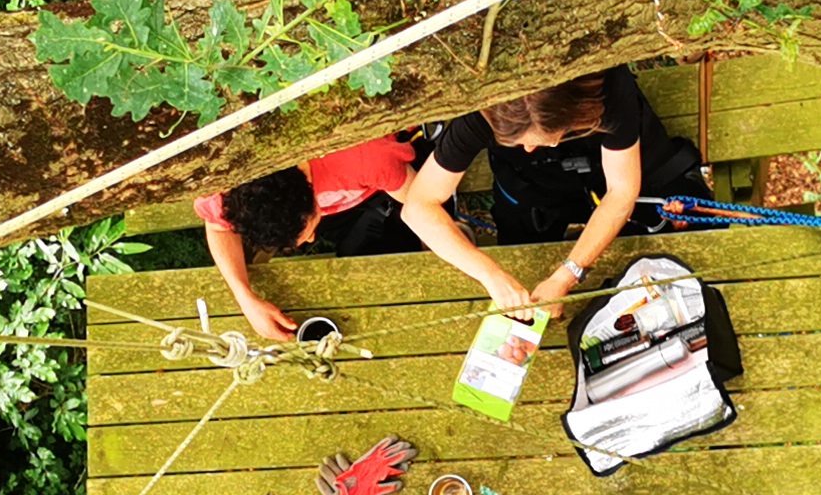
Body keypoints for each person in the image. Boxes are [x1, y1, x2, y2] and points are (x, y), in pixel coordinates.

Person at [398, 70, 707, 316]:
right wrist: (491, 275)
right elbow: (418, 207)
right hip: (535, 187)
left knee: (699, 252)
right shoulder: (481, 113)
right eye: (519, 142)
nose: (529, 148)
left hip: (625, 172)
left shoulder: (607, 89)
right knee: (523, 268)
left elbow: (622, 191)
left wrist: (567, 275)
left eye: (539, 140)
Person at [195, 133, 421, 341]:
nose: (312, 240)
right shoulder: (231, 195)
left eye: (308, 230)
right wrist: (245, 298)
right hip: (343, 210)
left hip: (387, 195)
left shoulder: (365, 157)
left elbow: (424, 208)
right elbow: (217, 228)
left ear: (311, 191)